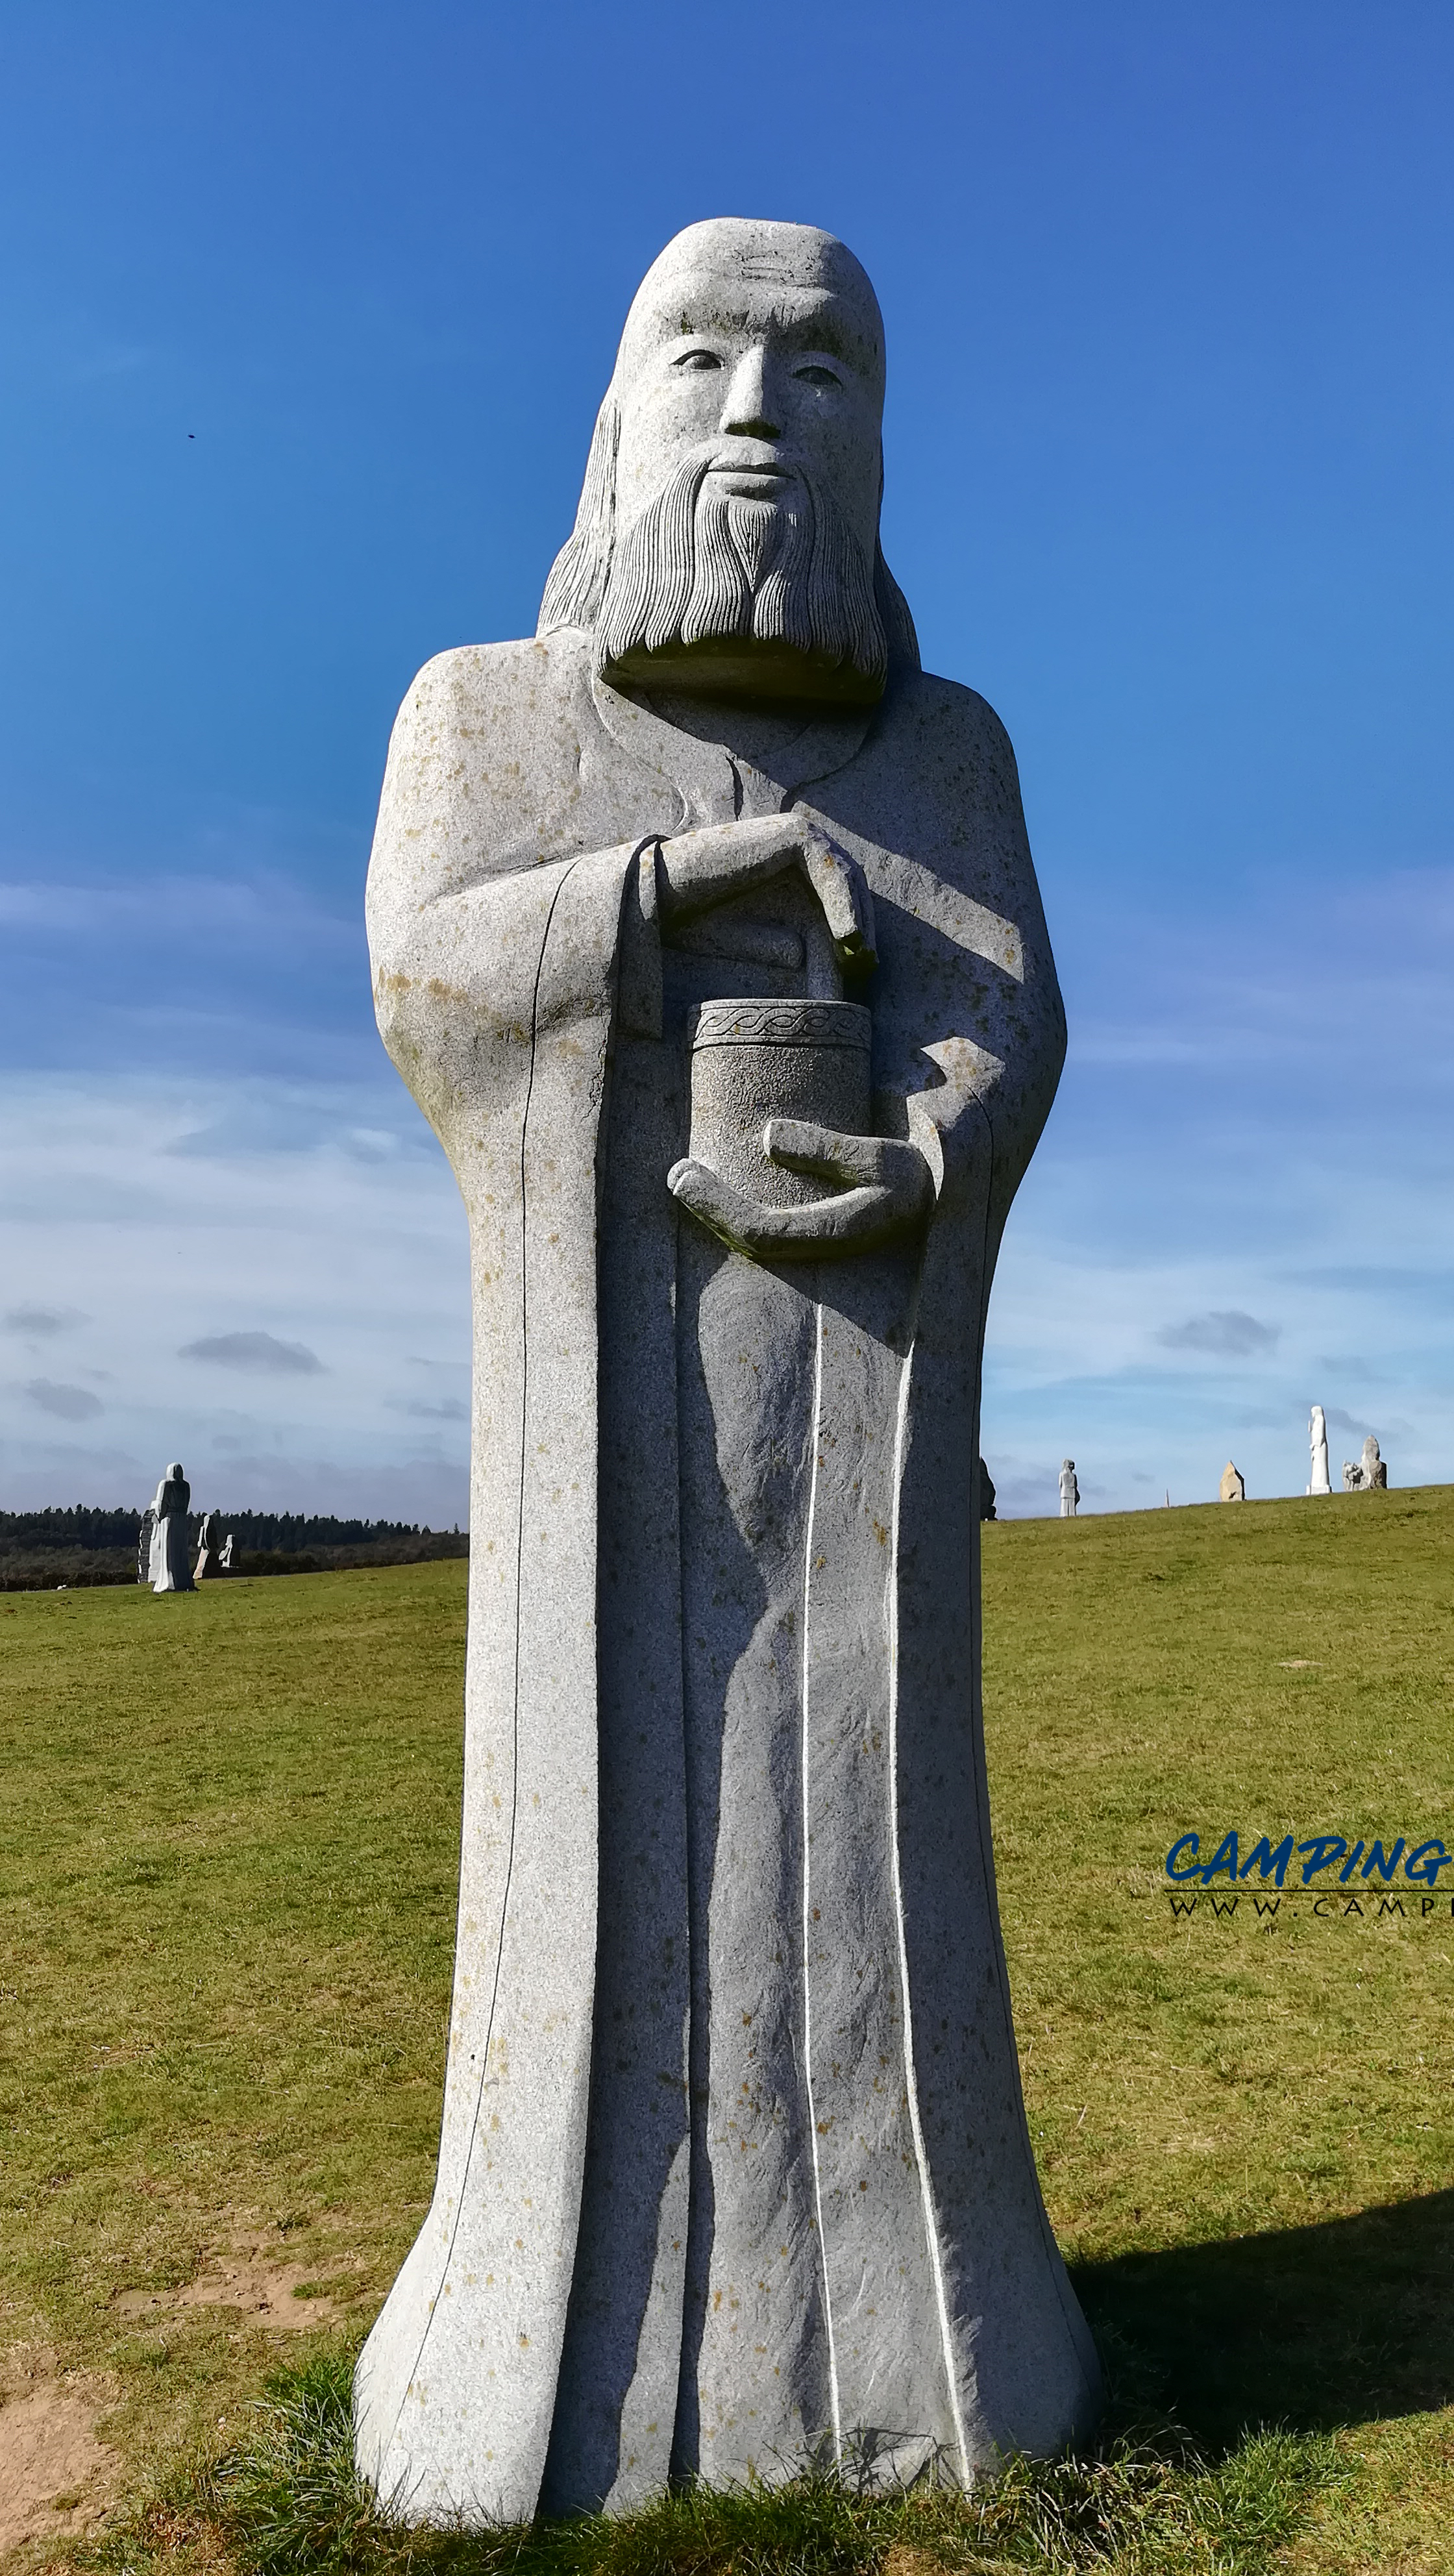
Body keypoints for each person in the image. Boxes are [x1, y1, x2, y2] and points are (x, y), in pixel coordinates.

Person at [356, 218, 1096, 2522]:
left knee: (860, 1829)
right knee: (596, 1859)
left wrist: (921, 1146)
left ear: (879, 436)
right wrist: (664, 894)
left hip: (855, 1403)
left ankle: (938, 2340)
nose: (760, 411)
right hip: (607, 1406)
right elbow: (429, 979)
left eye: (821, 368)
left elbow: (1006, 1017)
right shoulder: (487, 707)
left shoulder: (942, 745)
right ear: (619, 417)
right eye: (702, 359)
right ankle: (531, 2376)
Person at [148, 1463, 193, 1593]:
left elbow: (161, 1506)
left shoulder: (166, 1484)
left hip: (169, 1519)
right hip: (181, 1518)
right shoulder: (186, 1486)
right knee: (181, 1551)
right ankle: (184, 1580)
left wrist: (156, 1514)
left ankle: (169, 1581)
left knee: (170, 1552)